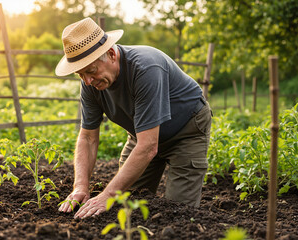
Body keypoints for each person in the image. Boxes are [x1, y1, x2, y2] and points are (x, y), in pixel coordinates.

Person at [55, 17, 212, 219]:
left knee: (178, 213)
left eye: (91, 71)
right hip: (142, 136)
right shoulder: (90, 84)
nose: (87, 80)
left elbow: (148, 147)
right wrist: (80, 186)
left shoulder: (146, 68)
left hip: (185, 131)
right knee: (127, 206)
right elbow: (87, 137)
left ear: (111, 54)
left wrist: (107, 195)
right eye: (80, 74)